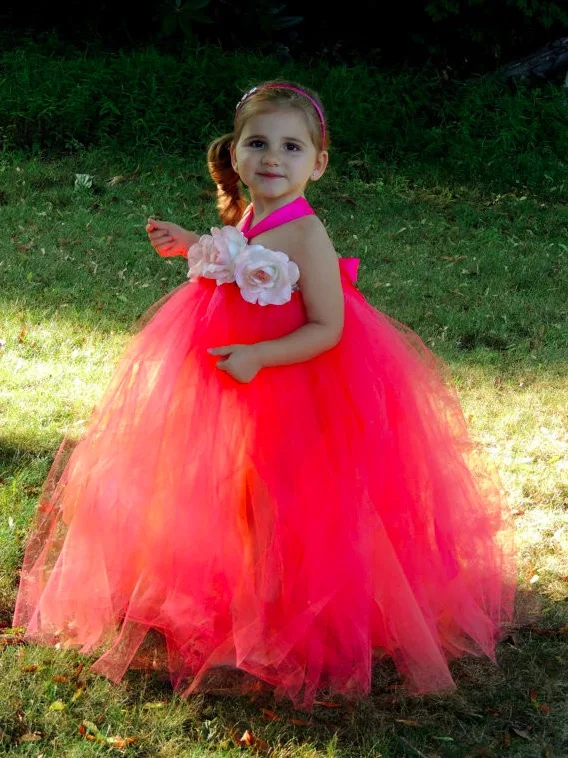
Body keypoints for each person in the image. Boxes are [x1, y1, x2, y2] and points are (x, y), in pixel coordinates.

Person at [14, 81, 515, 710]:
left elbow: (327, 328)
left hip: (296, 383)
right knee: (235, 490)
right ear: (237, 152)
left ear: (318, 162)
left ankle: (291, 617)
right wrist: (191, 246)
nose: (272, 157)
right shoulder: (252, 213)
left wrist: (258, 356)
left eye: (290, 146)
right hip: (237, 379)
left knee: (287, 498)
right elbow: (239, 261)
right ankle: (244, 601)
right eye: (258, 143)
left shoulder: (308, 234)